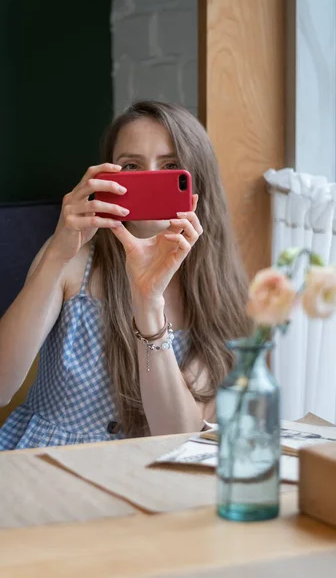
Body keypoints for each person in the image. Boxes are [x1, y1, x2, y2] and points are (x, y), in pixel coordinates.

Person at [0, 100, 249, 450]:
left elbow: (178, 436)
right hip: (45, 462)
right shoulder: (71, 260)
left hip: (141, 471)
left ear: (197, 182)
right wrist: (57, 251)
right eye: (131, 166)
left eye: (170, 166)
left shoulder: (214, 292)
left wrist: (148, 302)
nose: (148, 178)